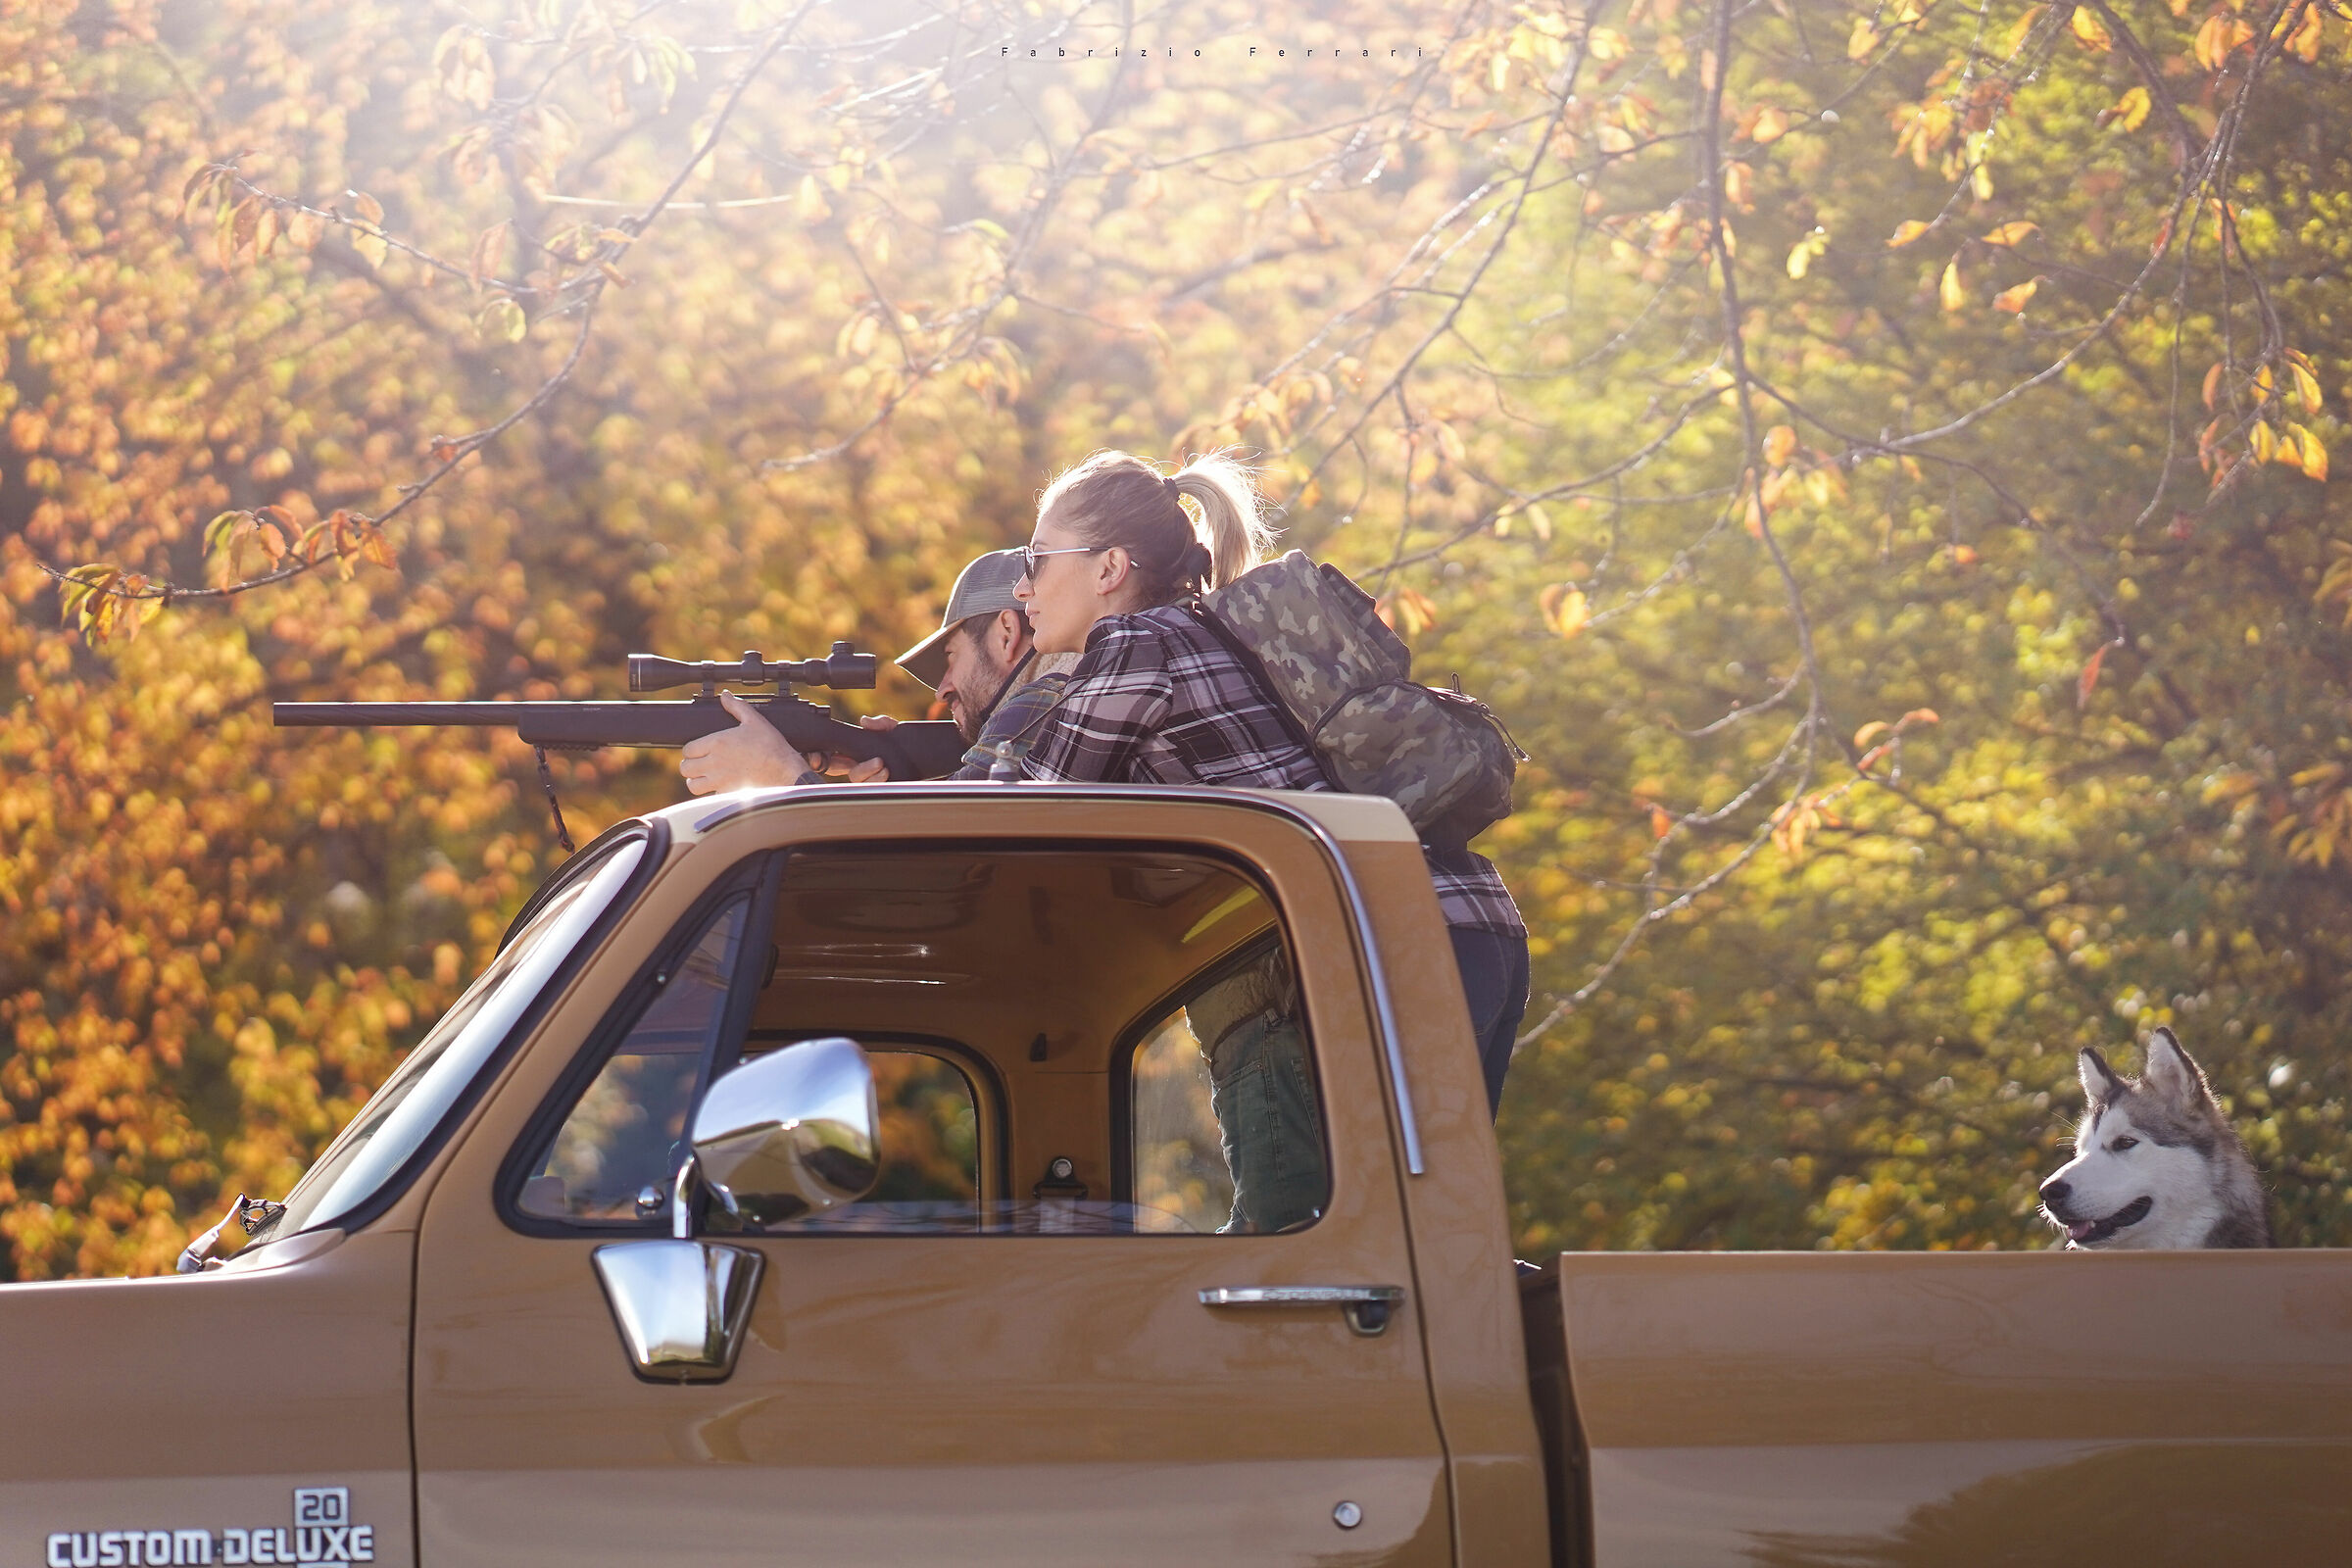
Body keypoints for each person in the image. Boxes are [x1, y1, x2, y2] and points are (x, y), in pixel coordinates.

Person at [1006, 447, 1530, 1127]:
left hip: (1385, 950)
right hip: (1471, 925)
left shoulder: (1138, 644)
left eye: (1036, 559)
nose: (1021, 589)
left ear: (1108, 567)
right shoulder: (1220, 632)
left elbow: (1024, 812)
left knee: (1342, 1191)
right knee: (1434, 1188)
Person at [678, 548, 1073, 794]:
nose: (941, 690)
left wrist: (783, 775)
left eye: (951, 657)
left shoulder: (1047, 703)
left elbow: (946, 847)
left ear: (1006, 634)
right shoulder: (1063, 698)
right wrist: (899, 773)